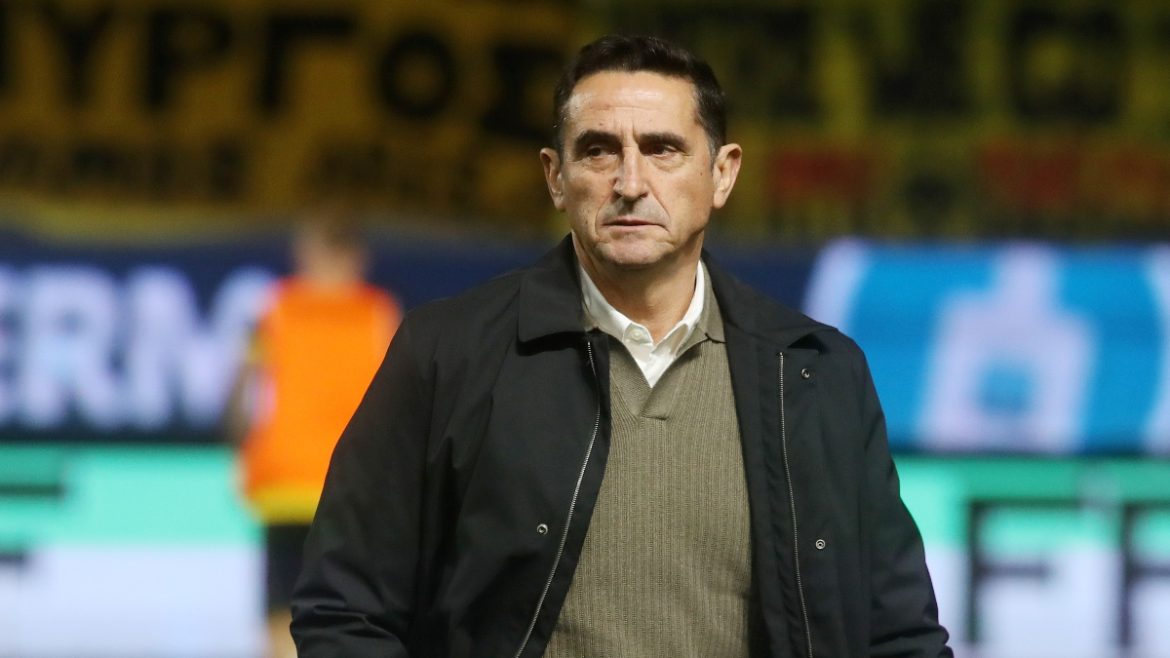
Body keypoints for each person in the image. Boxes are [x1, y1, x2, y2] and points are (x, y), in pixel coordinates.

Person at [291, 34, 952, 657]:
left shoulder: (818, 374)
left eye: (663, 149)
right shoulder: (446, 355)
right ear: (555, 176)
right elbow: (344, 609)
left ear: (723, 174)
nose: (631, 182)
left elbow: (900, 634)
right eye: (599, 150)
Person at [227, 208, 401, 658]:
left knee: (281, 604)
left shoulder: (278, 308)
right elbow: (401, 400)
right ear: (357, 257)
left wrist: (239, 445)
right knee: (347, 607)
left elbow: (243, 393)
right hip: (351, 487)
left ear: (309, 252)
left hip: (285, 478)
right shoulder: (377, 314)